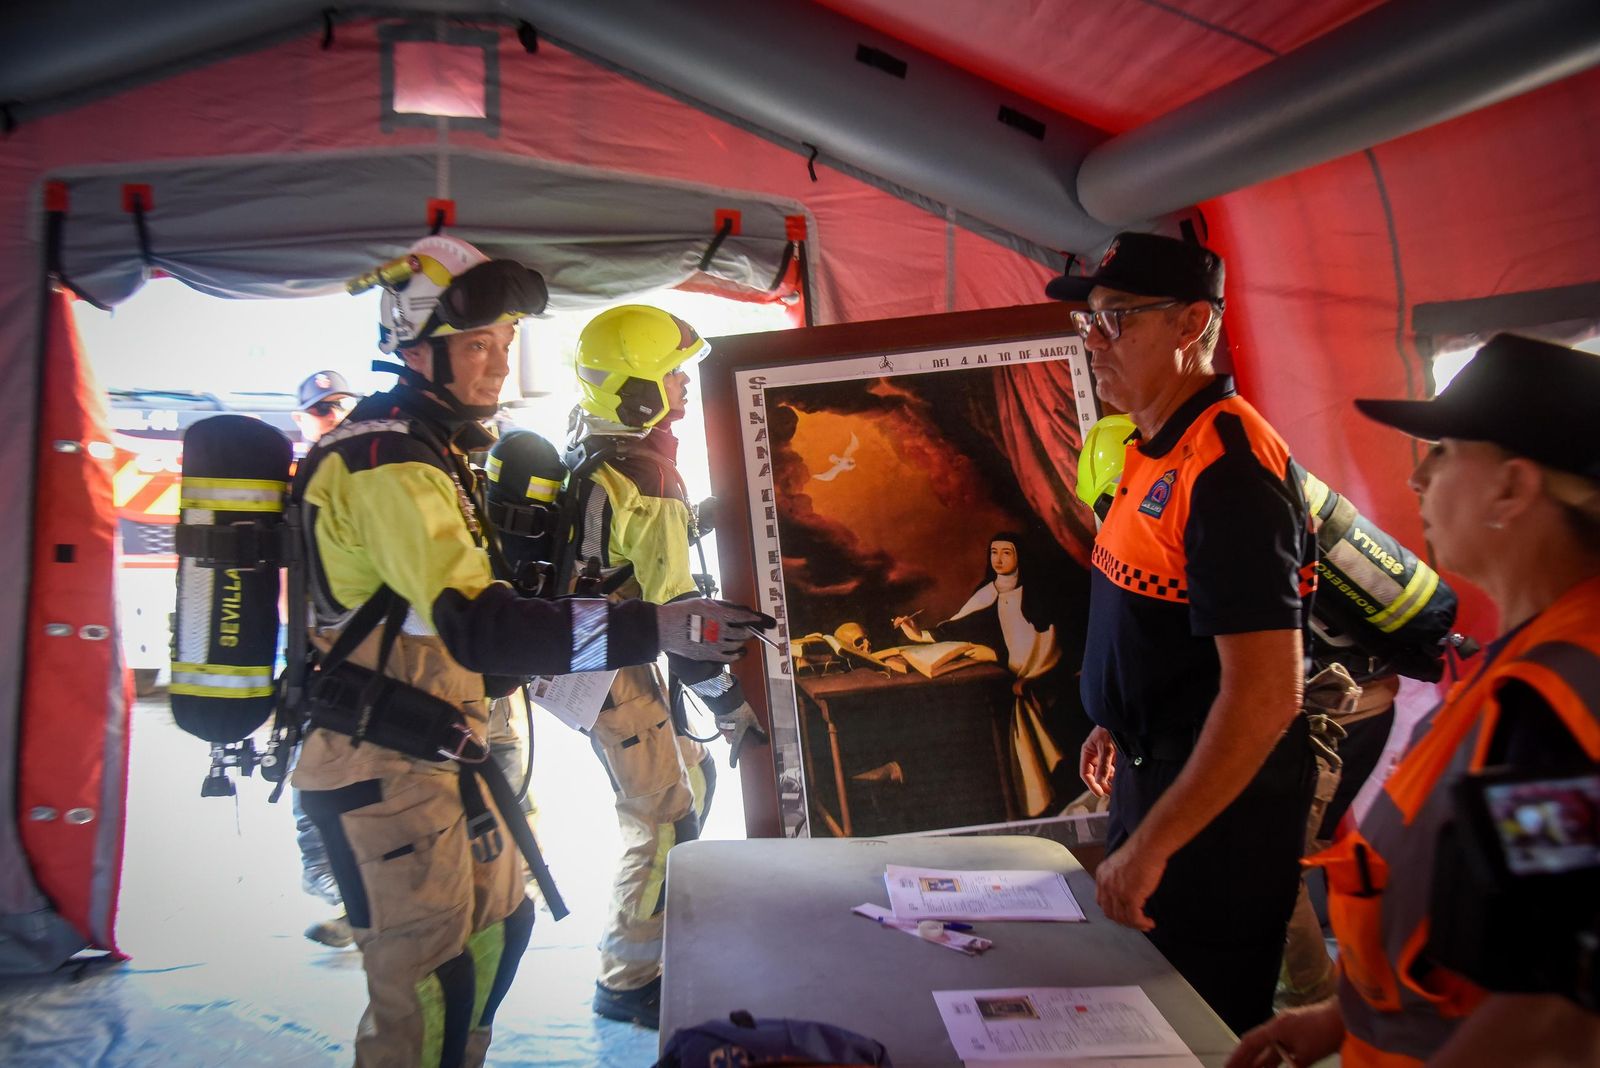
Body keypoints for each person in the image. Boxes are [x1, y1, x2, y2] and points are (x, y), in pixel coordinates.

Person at [291, 239, 766, 1067]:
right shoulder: (384, 463)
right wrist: (653, 629)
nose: (496, 367)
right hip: (382, 764)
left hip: (444, 748)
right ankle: (623, 977)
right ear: (414, 344)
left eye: (506, 346)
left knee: (500, 933)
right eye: (478, 344)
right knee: (430, 989)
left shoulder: (439, 452)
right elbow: (484, 627)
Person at [1229, 333, 1600, 1068]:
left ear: (1513, 487)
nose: (1418, 479)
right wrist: (1346, 1021)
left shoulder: (1555, 704)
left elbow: (1557, 1013)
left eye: (1445, 451)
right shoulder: (1528, 665)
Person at [1047, 231, 1317, 1033]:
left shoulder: (1229, 467)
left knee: (1191, 1023)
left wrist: (1154, 845)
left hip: (1218, 805)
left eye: (1118, 319)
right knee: (1146, 1011)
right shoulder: (1146, 446)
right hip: (1151, 763)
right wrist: (1114, 714)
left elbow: (1268, 693)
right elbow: (1156, 616)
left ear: (1191, 323)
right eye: (1088, 323)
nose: (1096, 343)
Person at [564, 304, 769, 1030]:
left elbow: (627, 559)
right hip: (608, 663)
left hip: (594, 648)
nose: (683, 383)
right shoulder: (646, 475)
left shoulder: (599, 449)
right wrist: (731, 706)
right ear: (638, 391)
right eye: (670, 374)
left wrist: (703, 517)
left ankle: (657, 939)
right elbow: (680, 617)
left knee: (695, 779)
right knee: (661, 820)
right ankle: (626, 982)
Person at [893, 532, 1085, 817]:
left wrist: (1039, 679)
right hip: (1013, 685)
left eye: (1006, 552)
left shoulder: (1041, 594)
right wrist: (918, 632)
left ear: (1020, 556)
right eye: (994, 552)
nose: (998, 559)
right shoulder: (988, 593)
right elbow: (956, 627)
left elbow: (1057, 645)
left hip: (1049, 686)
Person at [287, 368, 363, 948]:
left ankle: (366, 902)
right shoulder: (294, 486)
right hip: (308, 661)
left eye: (341, 405)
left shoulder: (370, 475)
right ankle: (345, 901)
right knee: (317, 782)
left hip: (366, 658)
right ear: (302, 418)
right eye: (320, 409)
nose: (332, 414)